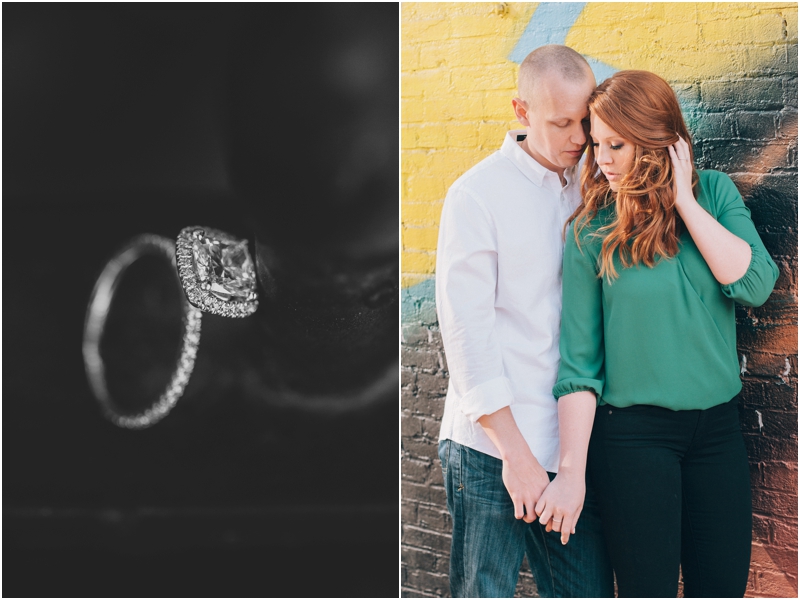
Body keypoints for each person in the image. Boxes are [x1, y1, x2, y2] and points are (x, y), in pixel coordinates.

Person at [551, 70, 779, 597]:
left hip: (717, 434)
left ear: (659, 143)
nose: (601, 158)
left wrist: (684, 202)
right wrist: (571, 473)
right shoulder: (591, 231)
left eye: (617, 144)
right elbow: (580, 368)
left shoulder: (714, 193)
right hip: (633, 439)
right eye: (596, 142)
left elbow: (753, 283)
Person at [435, 45, 614, 598]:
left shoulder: (592, 185)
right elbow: (467, 338)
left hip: (567, 449)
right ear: (521, 111)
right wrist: (516, 456)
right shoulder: (476, 196)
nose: (578, 137)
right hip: (493, 451)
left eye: (584, 120)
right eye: (561, 123)